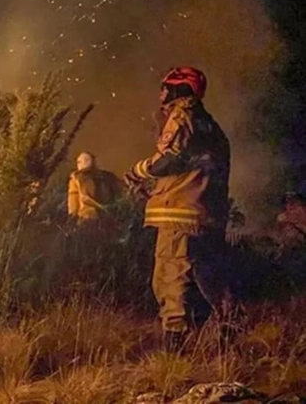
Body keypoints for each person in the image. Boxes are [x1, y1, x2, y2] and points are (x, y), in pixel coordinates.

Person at [124, 66, 236, 352]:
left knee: (169, 279)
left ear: (180, 89)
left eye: (166, 87)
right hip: (207, 215)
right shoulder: (211, 125)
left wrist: (139, 171)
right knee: (209, 278)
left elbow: (170, 158)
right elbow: (193, 172)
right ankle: (230, 334)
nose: (161, 93)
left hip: (179, 216)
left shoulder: (182, 115)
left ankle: (175, 350)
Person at [67, 151, 124, 226]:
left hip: (87, 218)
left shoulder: (76, 179)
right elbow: (119, 194)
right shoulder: (108, 177)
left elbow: (73, 204)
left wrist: (72, 219)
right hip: (108, 218)